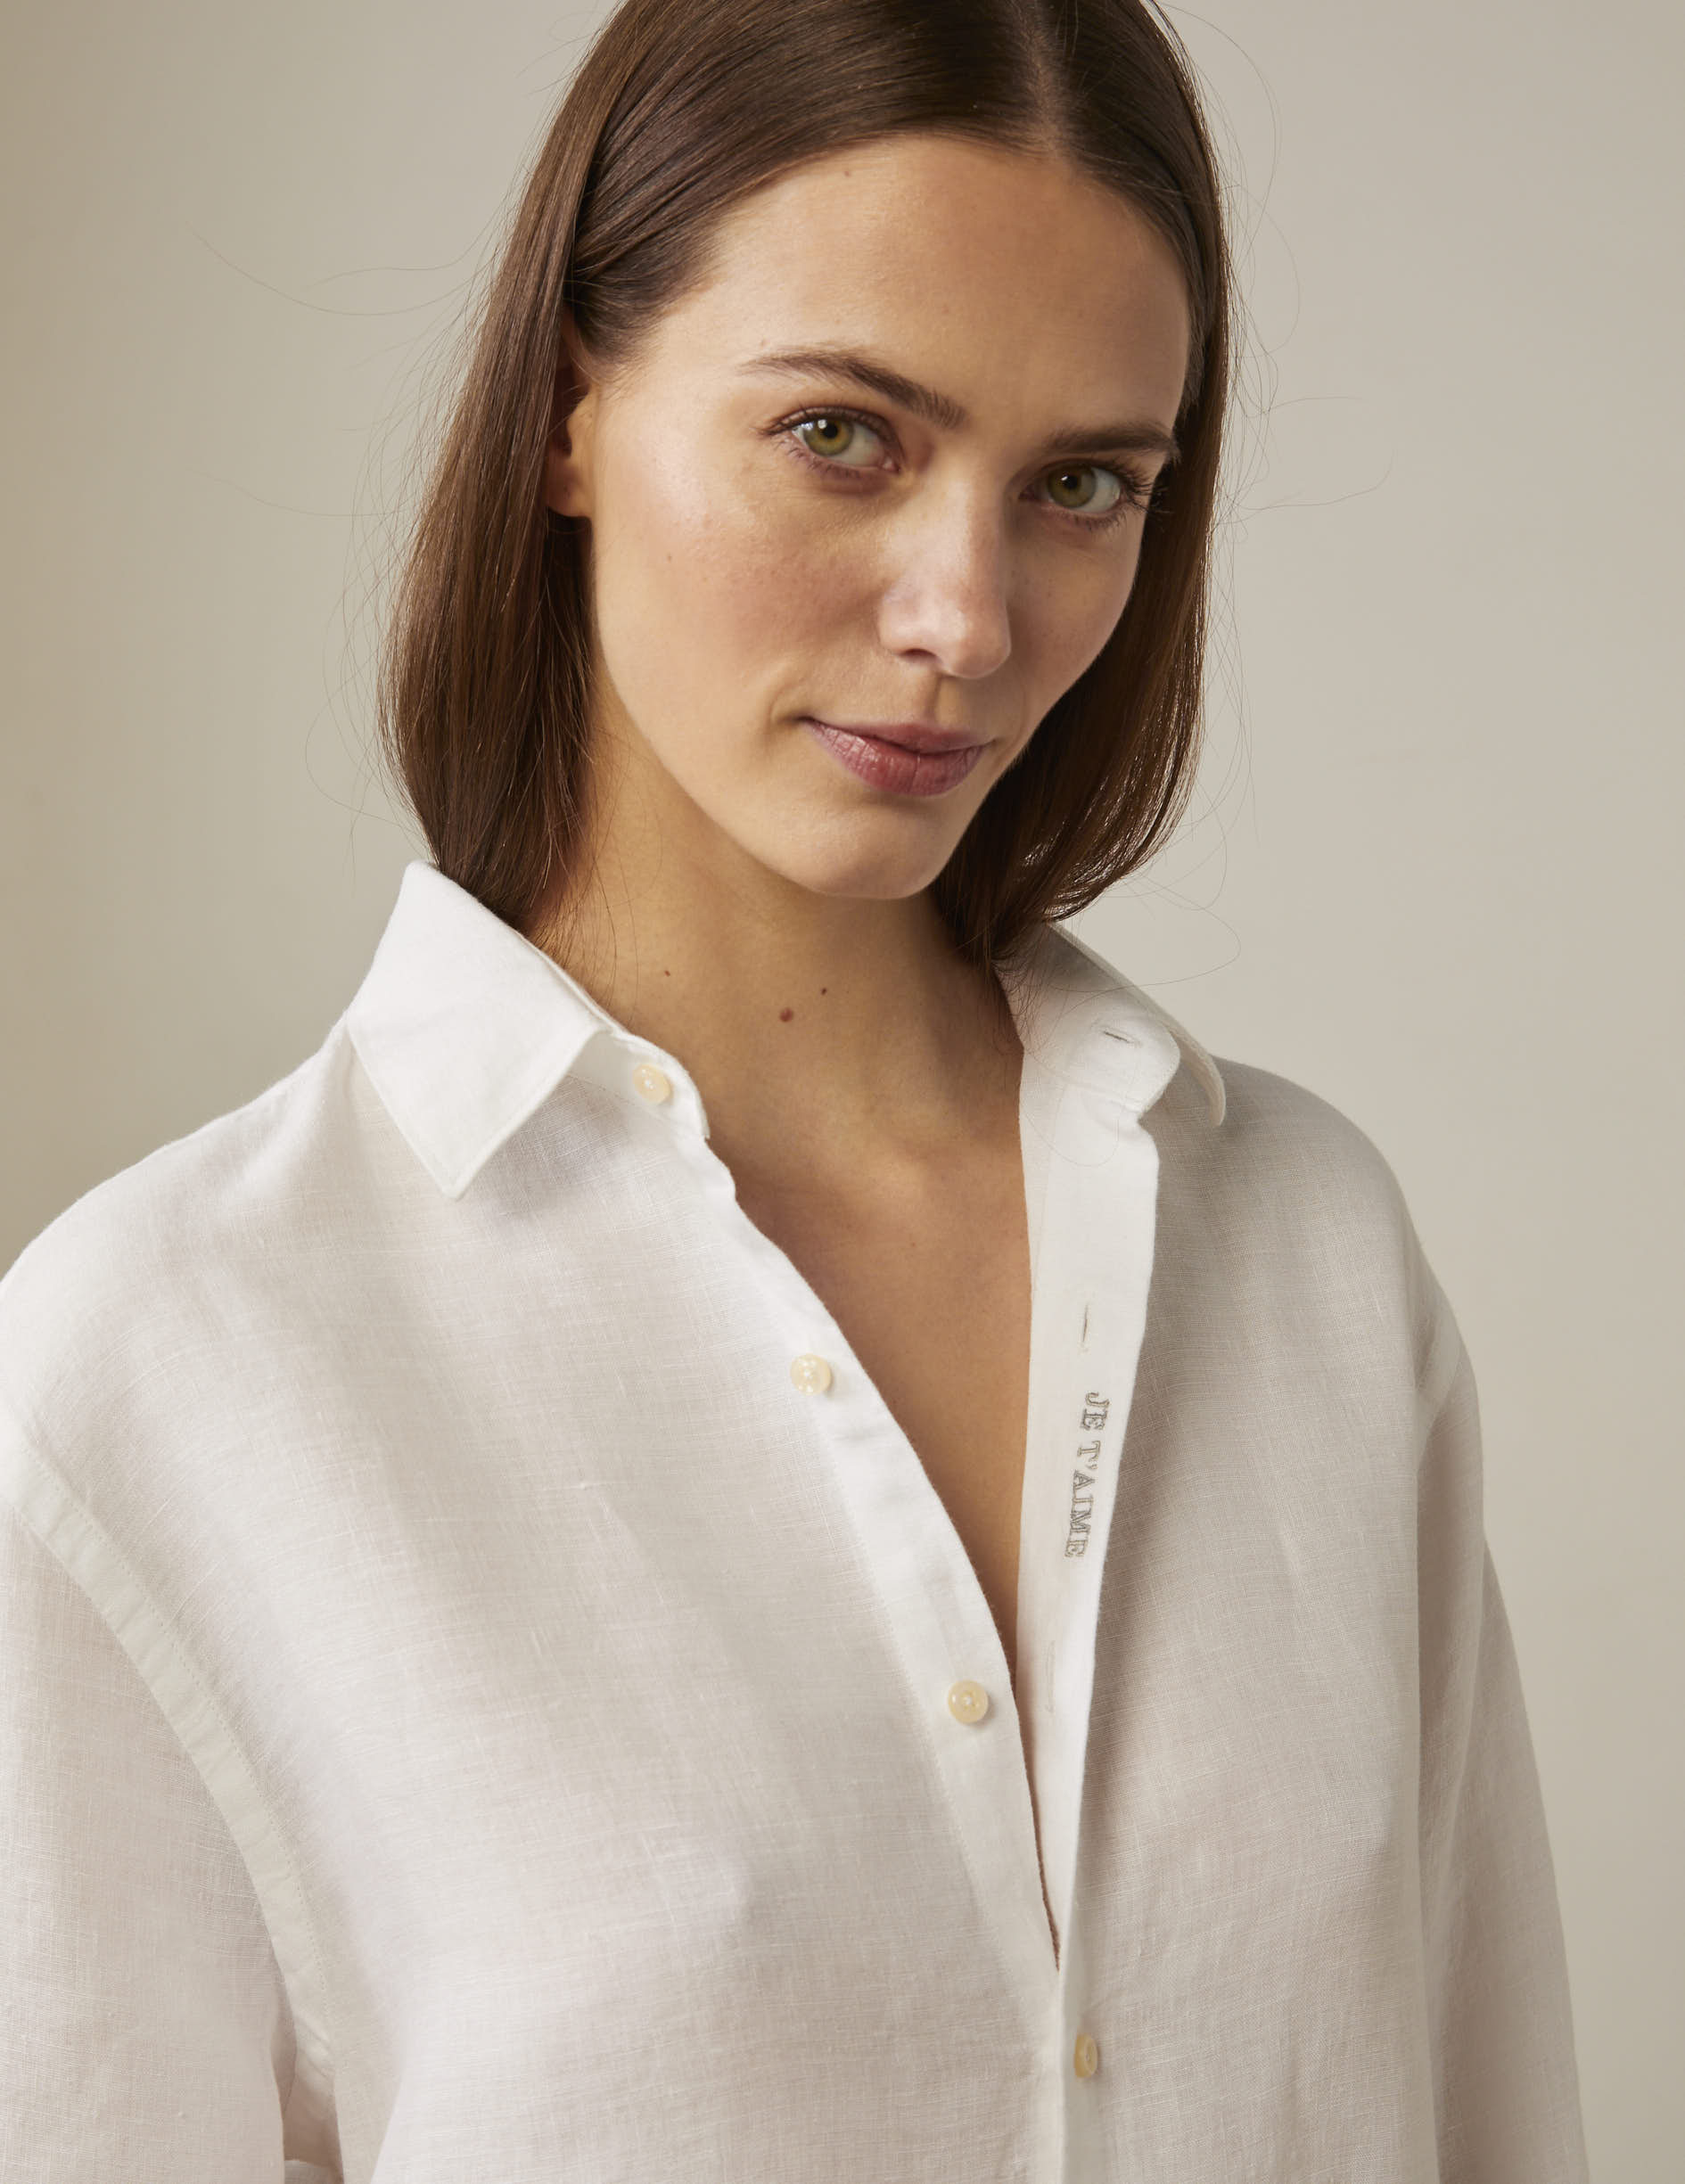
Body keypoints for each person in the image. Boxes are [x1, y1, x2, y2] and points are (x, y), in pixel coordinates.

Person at [0, 1, 1590, 2176]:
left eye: (1084, 485)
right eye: (843, 434)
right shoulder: (160, 1369)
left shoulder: (1310, 1260)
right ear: (569, 409)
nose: (969, 617)